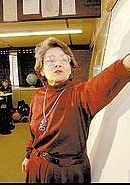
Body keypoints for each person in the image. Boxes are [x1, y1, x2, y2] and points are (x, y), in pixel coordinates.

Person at [21, 37, 130, 183]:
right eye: (50, 60)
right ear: (41, 69)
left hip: (68, 174)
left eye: (63, 59)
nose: (58, 63)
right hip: (38, 166)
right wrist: (28, 156)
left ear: (70, 66)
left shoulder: (82, 94)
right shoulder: (38, 96)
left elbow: (115, 73)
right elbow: (34, 134)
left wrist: (126, 63)